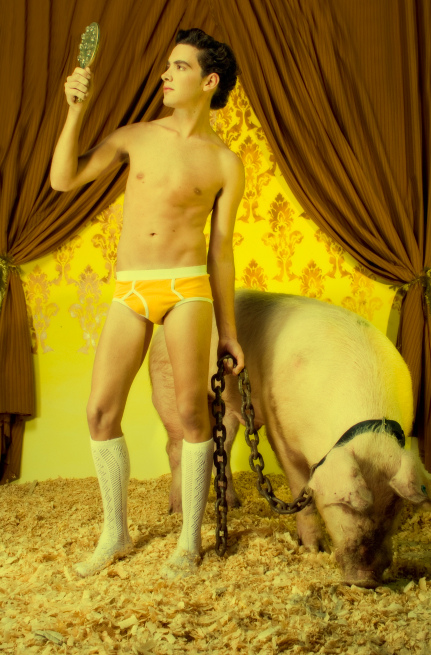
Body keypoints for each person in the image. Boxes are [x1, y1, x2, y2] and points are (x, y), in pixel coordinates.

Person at [50, 28, 245, 578]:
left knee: (192, 414)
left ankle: (189, 540)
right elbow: (62, 179)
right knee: (99, 412)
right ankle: (115, 533)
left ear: (208, 81)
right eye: (167, 65)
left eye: (179, 66)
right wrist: (75, 111)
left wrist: (229, 333)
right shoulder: (135, 136)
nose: (165, 74)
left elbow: (222, 252)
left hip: (187, 289)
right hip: (130, 288)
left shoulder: (226, 163)